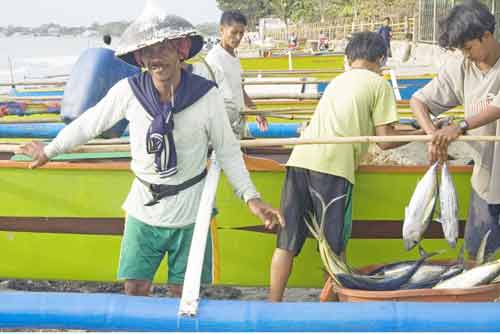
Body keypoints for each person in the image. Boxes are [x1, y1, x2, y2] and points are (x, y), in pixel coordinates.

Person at [19, 5, 283, 297]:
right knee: (134, 288)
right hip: (143, 209)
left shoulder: (206, 95)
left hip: (191, 212)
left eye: (164, 48)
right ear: (140, 58)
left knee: (185, 294)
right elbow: (89, 123)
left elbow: (228, 150)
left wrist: (252, 198)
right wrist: (50, 149)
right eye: (149, 51)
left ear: (181, 50)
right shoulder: (128, 91)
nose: (157, 58)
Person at [269, 32, 425, 302]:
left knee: (286, 243)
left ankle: (272, 304)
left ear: (349, 58)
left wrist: (410, 128)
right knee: (333, 247)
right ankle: (332, 308)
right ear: (381, 58)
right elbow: (385, 140)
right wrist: (424, 132)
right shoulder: (379, 84)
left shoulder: (336, 81)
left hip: (299, 161)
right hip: (333, 168)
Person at [411, 0, 500, 259]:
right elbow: (419, 100)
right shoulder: (461, 67)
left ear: (486, 36)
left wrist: (460, 126)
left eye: (469, 47)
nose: (466, 54)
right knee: (474, 259)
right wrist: (433, 135)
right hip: (486, 184)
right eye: (462, 50)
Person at [206, 11, 268, 138]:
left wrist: (255, 111)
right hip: (222, 128)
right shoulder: (214, 59)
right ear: (222, 30)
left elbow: (239, 89)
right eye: (234, 32)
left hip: (237, 123)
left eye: (241, 33)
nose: (238, 37)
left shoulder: (234, 56)